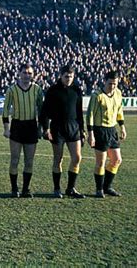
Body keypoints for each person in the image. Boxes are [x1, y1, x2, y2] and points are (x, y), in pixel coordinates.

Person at [40, 65, 85, 199]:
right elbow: (45, 112)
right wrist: (46, 128)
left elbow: (79, 113)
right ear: (61, 75)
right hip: (57, 128)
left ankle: (70, 188)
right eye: (66, 76)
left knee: (77, 158)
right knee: (58, 159)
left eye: (71, 76)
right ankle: (56, 188)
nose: (69, 79)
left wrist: (82, 130)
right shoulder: (53, 90)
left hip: (73, 128)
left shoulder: (77, 90)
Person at [2, 63, 43, 198]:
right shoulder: (12, 90)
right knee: (14, 160)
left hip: (31, 126)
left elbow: (42, 110)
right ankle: (14, 188)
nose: (27, 76)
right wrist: (6, 129)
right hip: (17, 126)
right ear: (19, 73)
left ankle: (26, 189)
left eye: (30, 73)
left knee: (29, 161)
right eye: (24, 73)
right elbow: (6, 110)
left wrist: (40, 128)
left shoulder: (37, 89)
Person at [86, 70, 127, 198]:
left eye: (115, 84)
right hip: (100, 130)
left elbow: (119, 110)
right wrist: (91, 133)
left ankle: (107, 187)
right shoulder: (97, 95)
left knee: (116, 160)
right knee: (101, 162)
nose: (112, 86)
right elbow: (90, 115)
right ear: (104, 81)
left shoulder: (118, 93)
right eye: (110, 83)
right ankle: (99, 189)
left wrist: (122, 127)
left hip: (112, 130)